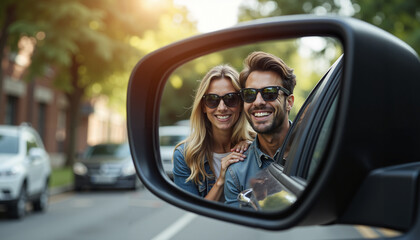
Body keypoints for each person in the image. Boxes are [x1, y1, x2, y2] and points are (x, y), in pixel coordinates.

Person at [224, 51, 296, 207]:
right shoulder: (236, 173)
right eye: (250, 94)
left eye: (269, 93)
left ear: (289, 102)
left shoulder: (318, 152)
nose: (258, 102)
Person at [173, 65, 254, 202]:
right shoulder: (186, 156)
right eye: (212, 100)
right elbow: (192, 210)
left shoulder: (256, 145)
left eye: (230, 98)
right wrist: (221, 180)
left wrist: (254, 147)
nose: (222, 107)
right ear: (203, 106)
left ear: (241, 103)